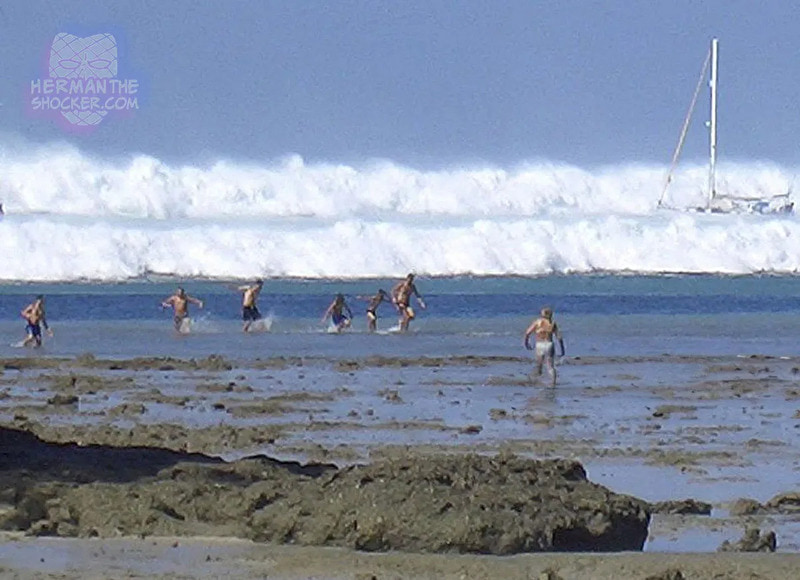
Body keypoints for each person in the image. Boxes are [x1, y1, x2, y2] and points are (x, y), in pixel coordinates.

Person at [523, 307, 565, 386]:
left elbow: (527, 332)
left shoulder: (538, 322)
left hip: (540, 344)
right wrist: (562, 349)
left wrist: (526, 343)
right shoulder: (552, 323)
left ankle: (535, 380)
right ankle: (553, 382)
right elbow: (559, 337)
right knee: (550, 366)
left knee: (539, 364)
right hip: (549, 344)